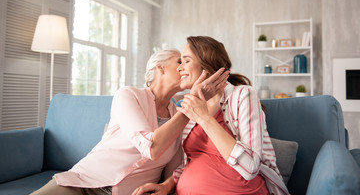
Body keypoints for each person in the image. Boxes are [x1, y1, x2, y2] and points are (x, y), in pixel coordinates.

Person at [31, 48, 229, 195]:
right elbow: (150, 147)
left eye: (187, 62)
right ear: (160, 68)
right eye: (179, 62)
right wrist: (189, 108)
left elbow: (175, 169)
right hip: (83, 184)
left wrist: (166, 186)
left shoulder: (181, 113)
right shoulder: (129, 95)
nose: (184, 67)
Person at [133, 36, 289, 195]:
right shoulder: (185, 107)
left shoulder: (243, 95)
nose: (179, 68)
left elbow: (250, 168)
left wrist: (204, 118)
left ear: (206, 64)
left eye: (186, 61)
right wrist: (166, 185)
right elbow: (192, 162)